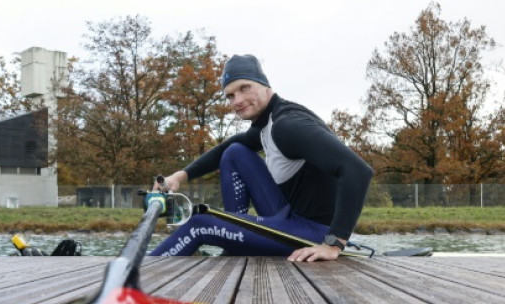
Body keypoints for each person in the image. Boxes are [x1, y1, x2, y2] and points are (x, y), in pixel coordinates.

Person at [149, 54, 372, 262]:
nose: (237, 100)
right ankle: (235, 242)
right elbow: (229, 146)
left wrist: (334, 243)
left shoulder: (288, 125)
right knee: (234, 152)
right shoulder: (267, 125)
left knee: (199, 224)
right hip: (289, 217)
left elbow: (357, 170)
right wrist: (178, 176)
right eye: (230, 95)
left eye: (244, 88)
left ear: (265, 86)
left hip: (312, 233)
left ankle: (139, 276)